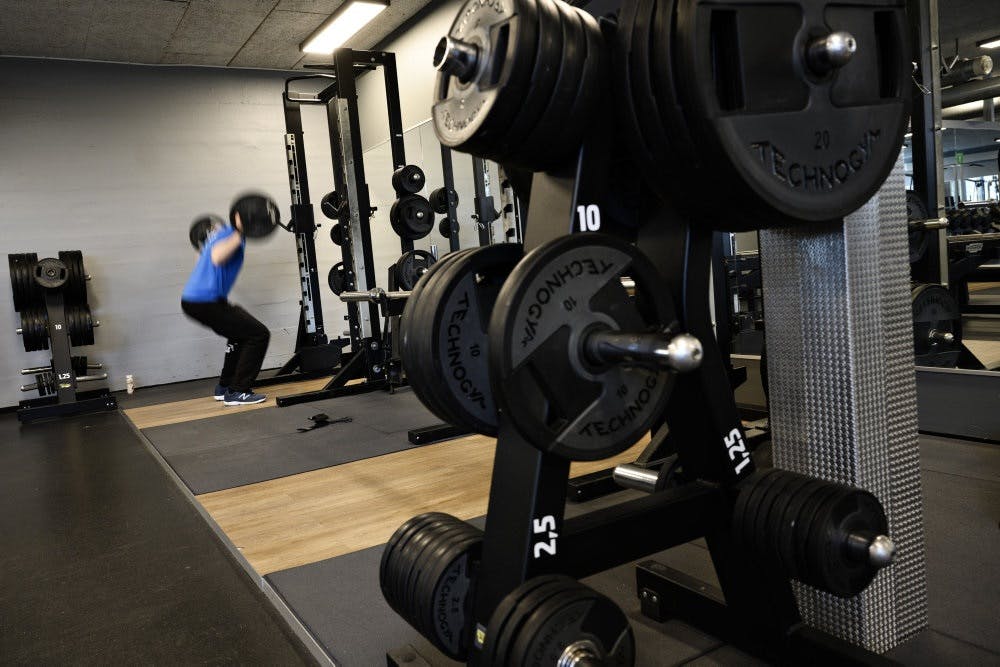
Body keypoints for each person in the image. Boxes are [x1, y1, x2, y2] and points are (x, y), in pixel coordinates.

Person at [181, 213, 270, 405]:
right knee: (258, 334)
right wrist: (239, 231)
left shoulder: (210, 242)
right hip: (205, 301)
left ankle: (225, 386)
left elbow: (202, 262)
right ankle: (238, 391)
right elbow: (218, 257)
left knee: (239, 335)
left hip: (196, 301)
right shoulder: (228, 234)